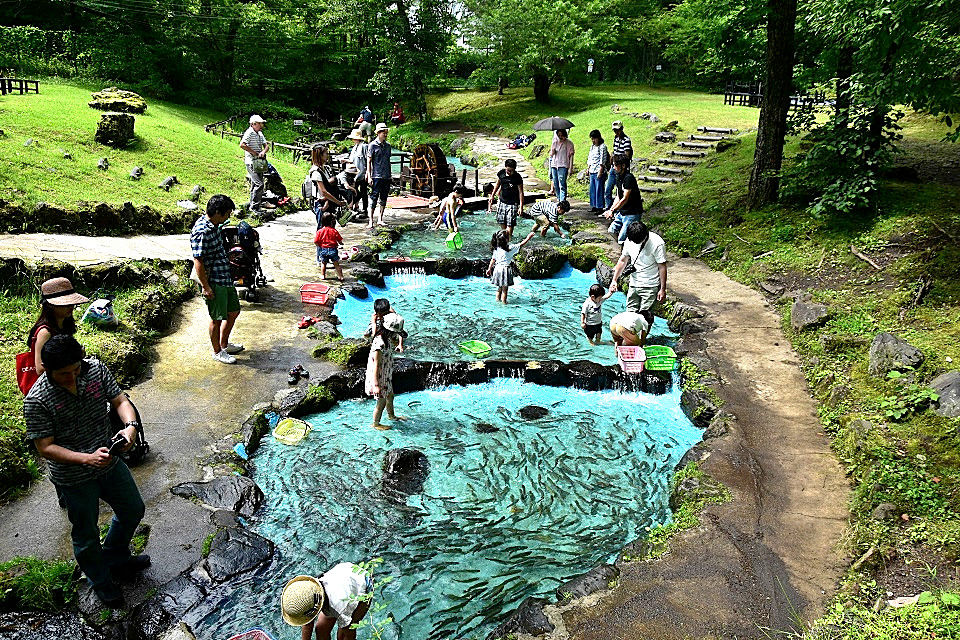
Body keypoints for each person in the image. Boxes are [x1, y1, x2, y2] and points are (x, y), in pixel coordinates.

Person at [24, 335, 149, 608]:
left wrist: (130, 427)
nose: (72, 378)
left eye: (76, 370)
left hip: (110, 458)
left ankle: (115, 556)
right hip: (73, 476)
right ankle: (101, 581)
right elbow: (45, 447)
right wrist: (85, 458)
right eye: (63, 374)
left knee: (132, 509)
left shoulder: (96, 370)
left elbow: (120, 401)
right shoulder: (36, 399)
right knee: (85, 533)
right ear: (46, 368)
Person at [191, 194, 244, 364]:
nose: (229, 216)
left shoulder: (213, 225)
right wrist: (206, 287)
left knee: (233, 311)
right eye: (227, 213)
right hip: (213, 280)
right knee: (217, 317)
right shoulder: (202, 231)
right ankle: (217, 351)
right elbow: (198, 261)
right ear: (217, 212)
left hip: (225, 278)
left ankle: (224, 344)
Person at [280, 565, 373, 640]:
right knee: (320, 630)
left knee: (343, 635)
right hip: (344, 574)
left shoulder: (339, 606)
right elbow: (308, 622)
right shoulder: (309, 592)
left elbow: (348, 630)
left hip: (362, 585)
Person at [27, 277, 90, 380]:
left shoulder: (64, 324)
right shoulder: (45, 332)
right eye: (65, 304)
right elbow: (40, 369)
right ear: (50, 306)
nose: (71, 307)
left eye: (72, 303)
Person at [608, 221, 668, 313]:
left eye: (639, 241)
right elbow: (623, 260)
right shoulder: (629, 239)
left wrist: (662, 289)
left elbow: (662, 267)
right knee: (630, 316)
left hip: (650, 286)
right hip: (634, 284)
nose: (636, 243)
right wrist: (614, 280)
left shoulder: (657, 243)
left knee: (645, 318)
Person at [365, 312, 407, 430]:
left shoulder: (386, 338)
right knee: (381, 401)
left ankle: (391, 415)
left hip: (386, 373)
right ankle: (376, 423)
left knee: (390, 395)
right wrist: (376, 385)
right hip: (378, 376)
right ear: (390, 331)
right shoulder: (380, 343)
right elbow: (376, 365)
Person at [486, 229, 536, 304]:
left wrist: (489, 269)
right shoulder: (510, 248)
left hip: (497, 269)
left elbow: (493, 259)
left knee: (499, 287)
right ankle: (504, 303)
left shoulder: (497, 248)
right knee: (505, 289)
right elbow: (521, 244)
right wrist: (528, 237)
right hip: (505, 269)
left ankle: (497, 301)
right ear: (507, 239)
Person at [603, 154, 644, 244]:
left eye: (615, 165)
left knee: (621, 238)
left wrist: (613, 210)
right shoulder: (618, 177)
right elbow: (619, 196)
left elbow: (625, 198)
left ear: (623, 166)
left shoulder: (629, 178)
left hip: (632, 213)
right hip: (622, 212)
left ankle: (627, 253)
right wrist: (611, 210)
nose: (613, 168)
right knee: (611, 230)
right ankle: (626, 248)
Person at [239, 114, 275, 216]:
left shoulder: (259, 133)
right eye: (260, 123)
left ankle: (254, 206)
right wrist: (254, 153)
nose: (261, 125)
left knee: (256, 184)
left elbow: (266, 146)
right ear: (253, 124)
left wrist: (263, 152)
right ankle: (254, 207)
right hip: (251, 162)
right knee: (259, 184)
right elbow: (242, 144)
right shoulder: (249, 133)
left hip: (259, 162)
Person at [309, 146, 347, 227]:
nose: (327, 156)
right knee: (322, 229)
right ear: (320, 155)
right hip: (321, 204)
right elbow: (324, 192)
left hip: (330, 202)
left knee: (331, 227)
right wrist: (338, 202)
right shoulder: (316, 172)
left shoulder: (326, 169)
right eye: (326, 154)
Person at [487, 158, 525, 236]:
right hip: (502, 201)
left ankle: (508, 239)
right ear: (505, 167)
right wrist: (492, 196)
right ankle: (505, 237)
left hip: (512, 203)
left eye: (511, 171)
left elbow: (521, 192)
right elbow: (497, 185)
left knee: (510, 223)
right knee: (501, 221)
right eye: (508, 170)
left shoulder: (517, 177)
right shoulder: (501, 174)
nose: (510, 172)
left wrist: (521, 206)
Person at [367, 123, 392, 230]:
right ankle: (371, 221)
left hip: (386, 176)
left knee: (384, 198)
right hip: (376, 175)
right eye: (383, 132)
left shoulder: (388, 146)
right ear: (378, 133)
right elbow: (369, 161)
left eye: (386, 132)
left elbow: (388, 161)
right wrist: (369, 175)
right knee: (373, 198)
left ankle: (380, 219)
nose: (385, 134)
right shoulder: (372, 145)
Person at [605, 121, 633, 210]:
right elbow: (614, 151)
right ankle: (608, 208)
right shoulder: (616, 139)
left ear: (621, 129)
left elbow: (627, 155)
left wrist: (621, 165)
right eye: (615, 131)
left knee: (620, 191)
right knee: (608, 188)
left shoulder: (626, 140)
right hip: (614, 166)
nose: (616, 132)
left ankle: (617, 209)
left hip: (621, 168)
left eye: (618, 130)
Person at [314, 212, 344, 282]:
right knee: (336, 264)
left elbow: (316, 241)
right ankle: (340, 276)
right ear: (332, 221)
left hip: (323, 249)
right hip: (333, 250)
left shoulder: (320, 231)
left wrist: (319, 246)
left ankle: (323, 275)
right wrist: (341, 243)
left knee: (323, 263)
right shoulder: (334, 231)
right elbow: (339, 240)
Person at [587, 129, 610, 213]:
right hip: (592, 170)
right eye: (592, 139)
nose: (593, 140)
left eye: (594, 138)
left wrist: (601, 170)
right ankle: (594, 205)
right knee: (592, 189)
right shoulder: (592, 147)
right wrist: (588, 168)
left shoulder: (602, 146)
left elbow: (602, 159)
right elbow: (590, 158)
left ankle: (600, 207)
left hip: (599, 170)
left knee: (599, 189)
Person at [549, 128, 574, 203]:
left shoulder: (569, 143)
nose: (560, 137)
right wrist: (552, 151)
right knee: (556, 184)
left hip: (563, 165)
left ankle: (562, 201)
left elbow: (571, 155)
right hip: (554, 165)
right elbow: (551, 154)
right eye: (558, 135)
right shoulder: (555, 142)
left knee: (562, 184)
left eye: (561, 135)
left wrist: (570, 167)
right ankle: (559, 200)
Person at [347, 129, 369, 213]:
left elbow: (368, 160)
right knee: (354, 191)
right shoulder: (354, 148)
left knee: (363, 192)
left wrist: (368, 172)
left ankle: (365, 209)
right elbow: (352, 160)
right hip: (354, 174)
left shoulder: (364, 146)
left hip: (362, 173)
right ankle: (356, 207)